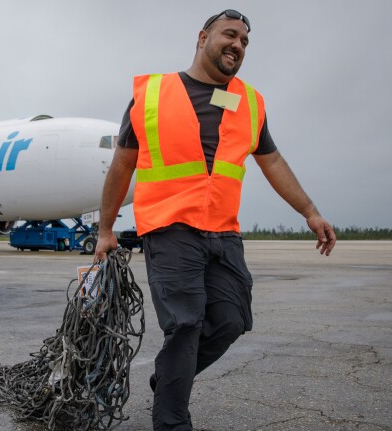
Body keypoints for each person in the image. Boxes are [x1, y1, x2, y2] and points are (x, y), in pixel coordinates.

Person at [93, 9, 337, 431]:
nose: (238, 46)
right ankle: (171, 420)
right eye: (230, 35)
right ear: (203, 36)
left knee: (230, 320)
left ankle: (169, 378)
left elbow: (272, 161)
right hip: (169, 229)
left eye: (245, 41)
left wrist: (310, 212)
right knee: (185, 323)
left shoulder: (249, 103)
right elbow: (122, 165)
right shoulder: (152, 94)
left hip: (223, 231)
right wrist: (105, 229)